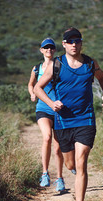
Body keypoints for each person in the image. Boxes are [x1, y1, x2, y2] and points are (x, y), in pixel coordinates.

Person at [34, 28, 103, 201]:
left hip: (85, 120)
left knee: (81, 161)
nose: (74, 44)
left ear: (81, 43)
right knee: (70, 165)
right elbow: (37, 88)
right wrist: (51, 104)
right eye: (70, 41)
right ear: (65, 44)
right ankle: (73, 175)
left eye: (77, 40)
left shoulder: (90, 63)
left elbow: (102, 77)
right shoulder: (56, 64)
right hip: (63, 122)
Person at [28, 38, 65, 192]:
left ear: (55, 50)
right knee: (47, 138)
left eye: (51, 47)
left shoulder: (60, 66)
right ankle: (45, 174)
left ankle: (60, 179)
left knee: (57, 146)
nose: (49, 50)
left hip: (58, 108)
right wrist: (32, 93)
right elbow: (31, 84)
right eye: (46, 48)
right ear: (41, 50)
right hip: (43, 107)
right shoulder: (37, 68)